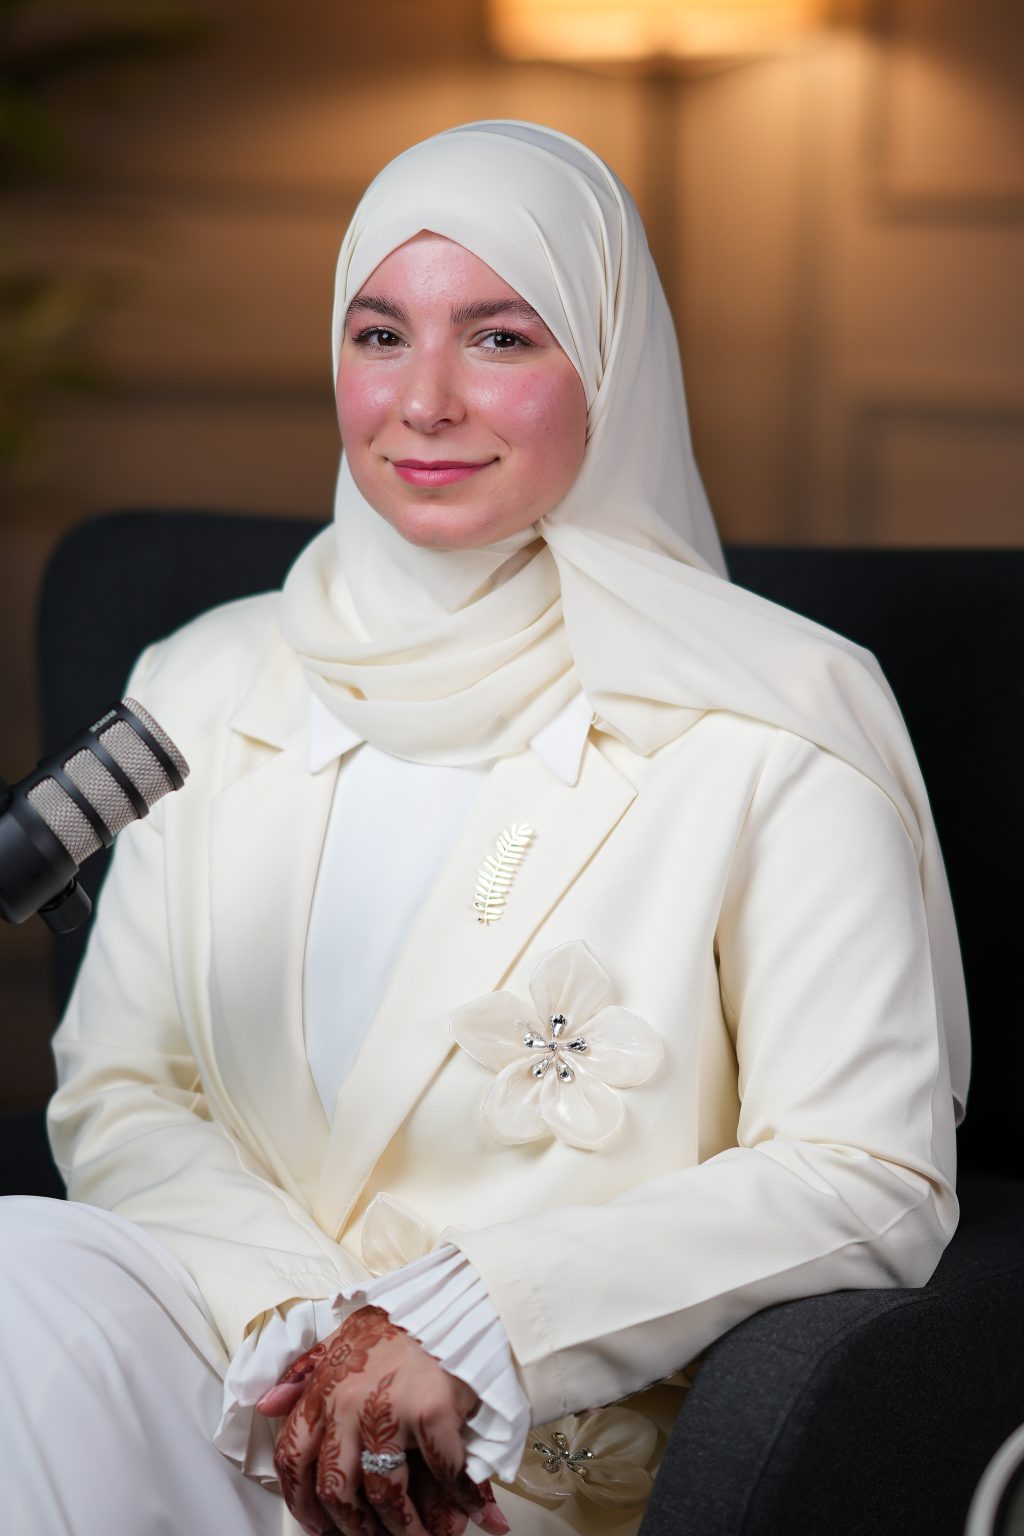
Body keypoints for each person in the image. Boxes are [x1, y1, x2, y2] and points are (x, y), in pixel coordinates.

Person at [2, 120, 968, 1536]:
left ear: (612, 368)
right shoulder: (203, 680)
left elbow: (870, 1175)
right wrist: (320, 1335)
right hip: (226, 1373)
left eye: (502, 339)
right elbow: (125, 1089)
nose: (425, 401)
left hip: (518, 1463)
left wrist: (478, 1323)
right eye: (380, 335)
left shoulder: (775, 720)